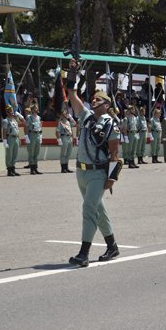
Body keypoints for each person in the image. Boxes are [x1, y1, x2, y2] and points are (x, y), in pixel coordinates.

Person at [65, 59, 122, 267]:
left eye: (99, 99)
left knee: (89, 208)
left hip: (98, 173)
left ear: (107, 105)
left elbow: (114, 153)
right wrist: (72, 73)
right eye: (94, 98)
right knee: (99, 209)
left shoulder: (111, 124)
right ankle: (112, 245)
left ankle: (83, 253)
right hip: (81, 172)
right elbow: (71, 95)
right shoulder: (86, 117)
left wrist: (112, 178)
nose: (94, 100)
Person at [2, 105, 21, 177]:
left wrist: (19, 139)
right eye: (10, 111)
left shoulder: (14, 120)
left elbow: (17, 130)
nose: (12, 113)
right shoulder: (6, 121)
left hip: (16, 138)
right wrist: (4, 141)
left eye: (12, 111)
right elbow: (4, 131)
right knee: (9, 154)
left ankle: (13, 169)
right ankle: (9, 170)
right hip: (9, 138)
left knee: (15, 154)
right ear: (7, 113)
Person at [25, 104, 44, 174]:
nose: (37, 109)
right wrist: (26, 136)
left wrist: (41, 136)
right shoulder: (29, 117)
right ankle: (32, 169)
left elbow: (40, 127)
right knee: (31, 152)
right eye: (36, 108)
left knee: (36, 152)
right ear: (32, 110)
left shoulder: (39, 117)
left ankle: (35, 168)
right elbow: (26, 127)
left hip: (38, 134)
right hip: (32, 135)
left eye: (37, 108)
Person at [56, 109, 76, 173]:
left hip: (69, 137)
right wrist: (59, 139)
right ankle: (63, 168)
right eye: (63, 114)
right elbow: (57, 131)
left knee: (68, 153)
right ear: (61, 115)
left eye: (65, 114)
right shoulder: (60, 122)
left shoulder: (68, 122)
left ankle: (66, 167)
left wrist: (71, 117)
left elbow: (74, 123)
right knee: (63, 154)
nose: (65, 115)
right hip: (64, 137)